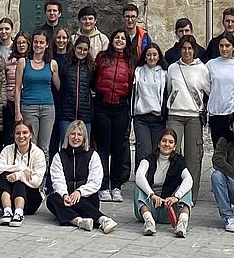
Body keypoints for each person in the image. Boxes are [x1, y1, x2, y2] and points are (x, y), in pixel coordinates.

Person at [163, 37, 210, 199]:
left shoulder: (202, 69)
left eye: (190, 48)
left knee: (193, 157)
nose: (187, 51)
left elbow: (208, 90)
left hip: (193, 116)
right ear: (180, 50)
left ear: (194, 50)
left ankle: (190, 195)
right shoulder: (172, 69)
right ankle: (171, 191)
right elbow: (169, 89)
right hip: (175, 114)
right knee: (171, 153)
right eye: (184, 48)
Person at [48, 119, 115, 233]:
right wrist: (64, 195)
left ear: (84, 138)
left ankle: (103, 219)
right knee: (52, 200)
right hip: (67, 197)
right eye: (72, 134)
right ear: (67, 136)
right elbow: (57, 180)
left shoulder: (93, 155)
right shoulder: (59, 156)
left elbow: (95, 181)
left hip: (86, 197)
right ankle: (80, 222)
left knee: (81, 201)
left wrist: (79, 192)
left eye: (79, 134)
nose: (75, 138)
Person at [92, 28, 135, 201]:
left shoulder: (131, 61)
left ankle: (116, 186)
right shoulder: (102, 57)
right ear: (111, 40)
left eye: (122, 39)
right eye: (116, 37)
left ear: (126, 42)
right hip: (102, 105)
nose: (119, 41)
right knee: (102, 147)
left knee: (118, 148)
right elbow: (94, 79)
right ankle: (103, 185)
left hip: (120, 106)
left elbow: (132, 84)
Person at [132, 126, 193, 237]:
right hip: (150, 207)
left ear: (174, 146)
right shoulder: (148, 159)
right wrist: (152, 195)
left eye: (170, 142)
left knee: (186, 190)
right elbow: (139, 176)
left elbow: (189, 179)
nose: (166, 144)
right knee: (138, 187)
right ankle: (149, 223)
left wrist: (176, 197)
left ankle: (182, 224)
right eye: (164, 141)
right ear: (159, 144)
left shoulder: (179, 161)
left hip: (168, 209)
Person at [0, 119, 47, 226]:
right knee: (4, 175)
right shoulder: (7, 150)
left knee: (19, 180)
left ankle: (18, 213)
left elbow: (37, 182)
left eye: (25, 133)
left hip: (30, 200)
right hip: (8, 197)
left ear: (31, 135)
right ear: (14, 135)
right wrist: (20, 168)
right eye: (18, 133)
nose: (21, 136)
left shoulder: (38, 153)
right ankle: (7, 211)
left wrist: (18, 175)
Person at [130, 41, 169, 183]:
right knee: (143, 150)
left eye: (154, 55)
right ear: (144, 57)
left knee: (156, 150)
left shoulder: (164, 73)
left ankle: (153, 180)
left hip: (157, 117)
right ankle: (141, 179)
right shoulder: (138, 71)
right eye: (149, 55)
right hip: (141, 117)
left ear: (159, 56)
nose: (152, 57)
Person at [205, 33, 234, 152]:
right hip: (216, 114)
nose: (224, 49)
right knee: (219, 150)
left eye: (227, 45)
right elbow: (205, 85)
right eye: (221, 45)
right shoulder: (211, 64)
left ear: (233, 47)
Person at [17, 30, 60, 153]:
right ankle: (31, 172)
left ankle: (44, 172)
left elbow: (59, 87)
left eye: (42, 42)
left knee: (45, 146)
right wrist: (17, 111)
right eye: (36, 42)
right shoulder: (23, 62)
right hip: (29, 106)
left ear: (46, 45)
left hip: (48, 107)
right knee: (31, 145)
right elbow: (17, 88)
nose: (38, 45)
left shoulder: (52, 64)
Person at [55, 34, 95, 149]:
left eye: (85, 49)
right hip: (66, 113)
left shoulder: (90, 67)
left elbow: (92, 85)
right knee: (65, 145)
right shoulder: (64, 64)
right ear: (74, 47)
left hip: (85, 113)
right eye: (79, 48)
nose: (82, 52)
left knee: (84, 147)